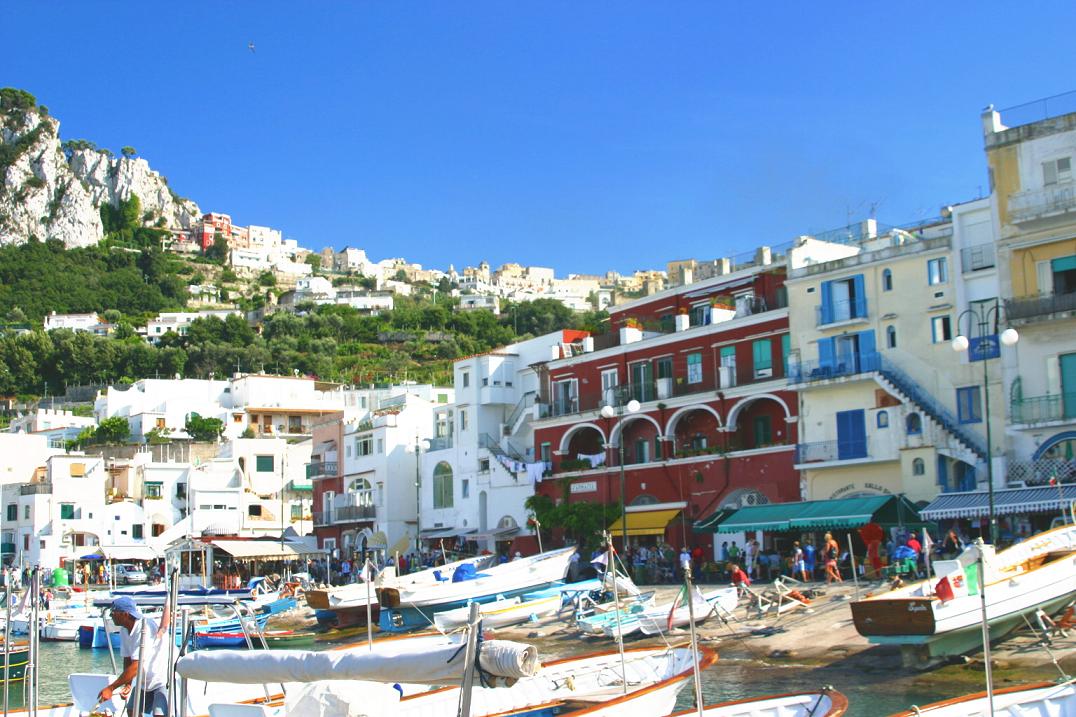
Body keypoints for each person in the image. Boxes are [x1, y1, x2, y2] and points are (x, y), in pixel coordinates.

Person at [97, 596, 168, 716]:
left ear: (124, 614)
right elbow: (128, 658)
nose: (111, 616)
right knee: (132, 711)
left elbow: (136, 666)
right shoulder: (124, 630)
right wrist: (128, 684)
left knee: (159, 714)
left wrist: (111, 688)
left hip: (159, 679)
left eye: (113, 613)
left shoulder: (144, 628)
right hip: (142, 681)